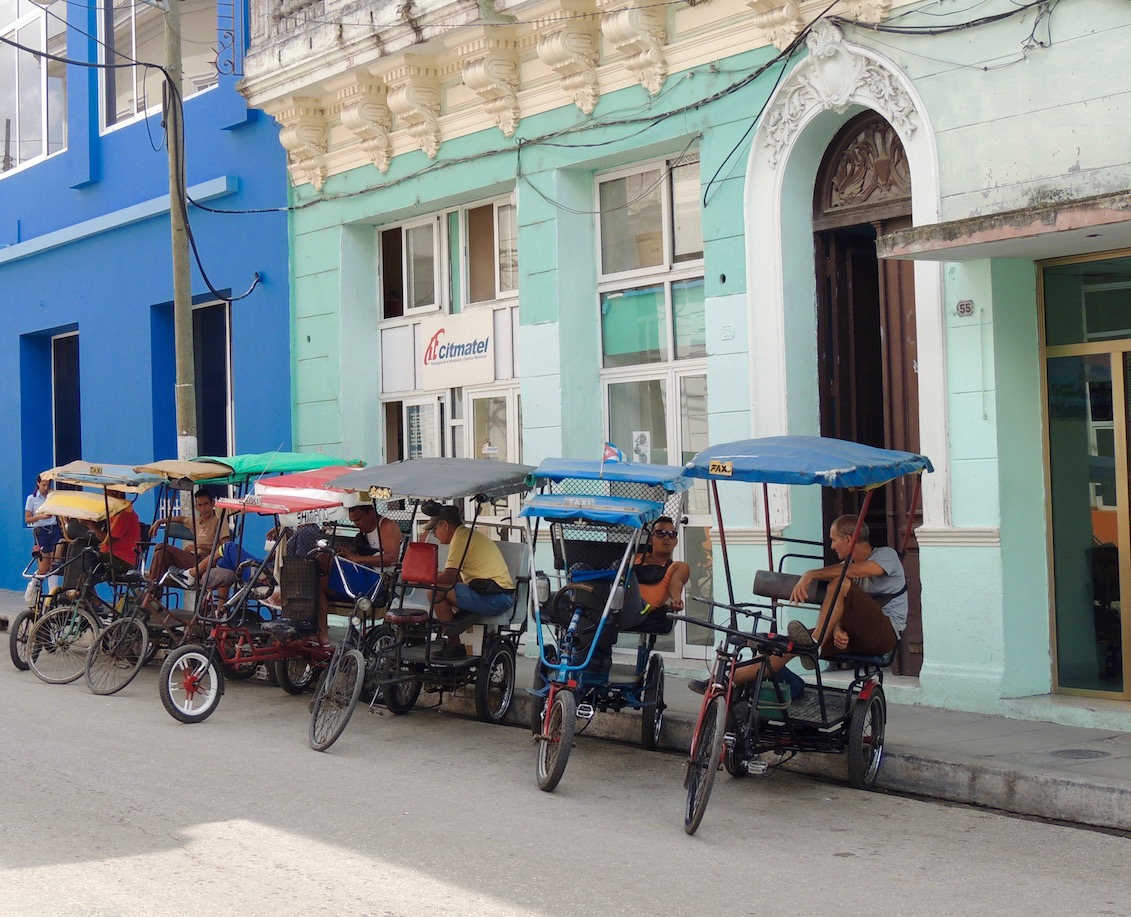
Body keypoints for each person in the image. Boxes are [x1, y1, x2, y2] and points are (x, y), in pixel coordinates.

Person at [689, 514, 904, 694]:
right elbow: (838, 609)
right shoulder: (843, 568)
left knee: (840, 582)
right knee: (787, 646)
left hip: (884, 634)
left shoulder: (886, 555)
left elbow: (855, 572)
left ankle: (815, 642)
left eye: (834, 540)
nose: (831, 546)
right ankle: (721, 682)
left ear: (849, 539)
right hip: (851, 636)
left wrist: (810, 574)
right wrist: (837, 629)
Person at [421, 502, 514, 659]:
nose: (434, 534)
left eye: (435, 529)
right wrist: (434, 577)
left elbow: (449, 577)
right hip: (495, 594)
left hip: (494, 597)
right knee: (440, 588)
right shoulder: (466, 534)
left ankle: (454, 645)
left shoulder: (460, 538)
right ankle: (454, 632)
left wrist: (424, 577)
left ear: (445, 525)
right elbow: (457, 578)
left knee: (435, 593)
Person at [316, 503, 402, 642]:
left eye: (359, 519)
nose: (356, 524)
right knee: (318, 581)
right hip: (362, 574)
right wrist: (351, 555)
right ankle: (322, 633)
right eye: (353, 521)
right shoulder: (364, 531)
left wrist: (357, 559)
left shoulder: (387, 526)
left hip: (376, 581)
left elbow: (392, 558)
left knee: (327, 561)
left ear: (370, 513)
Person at [147, 488, 228, 591]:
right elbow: (182, 519)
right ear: (196, 507)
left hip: (206, 562)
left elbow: (226, 547)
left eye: (206, 504)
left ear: (212, 504)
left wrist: (198, 546)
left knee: (161, 547)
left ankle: (151, 593)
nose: (203, 508)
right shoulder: (197, 521)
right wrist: (159, 521)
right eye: (200, 505)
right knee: (160, 554)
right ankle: (153, 595)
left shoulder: (219, 521)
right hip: (193, 559)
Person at [633, 516, 691, 611]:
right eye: (660, 533)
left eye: (671, 534)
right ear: (651, 540)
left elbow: (675, 583)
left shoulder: (677, 567)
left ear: (676, 542)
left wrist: (676, 598)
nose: (667, 537)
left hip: (646, 616)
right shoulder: (635, 557)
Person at [24, 474, 64, 606]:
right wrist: (40, 517)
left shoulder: (51, 496)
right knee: (43, 568)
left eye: (48, 485)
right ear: (38, 483)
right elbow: (27, 519)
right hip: (41, 531)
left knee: (54, 565)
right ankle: (33, 583)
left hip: (54, 529)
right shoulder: (32, 498)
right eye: (43, 485)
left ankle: (51, 596)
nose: (46, 488)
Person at [82, 491, 142, 578]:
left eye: (106, 495)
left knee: (86, 556)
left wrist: (89, 524)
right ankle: (79, 585)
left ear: (118, 494)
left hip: (122, 560)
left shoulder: (125, 514)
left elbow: (108, 541)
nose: (104, 497)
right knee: (80, 550)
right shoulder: (112, 513)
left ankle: (79, 585)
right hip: (109, 556)